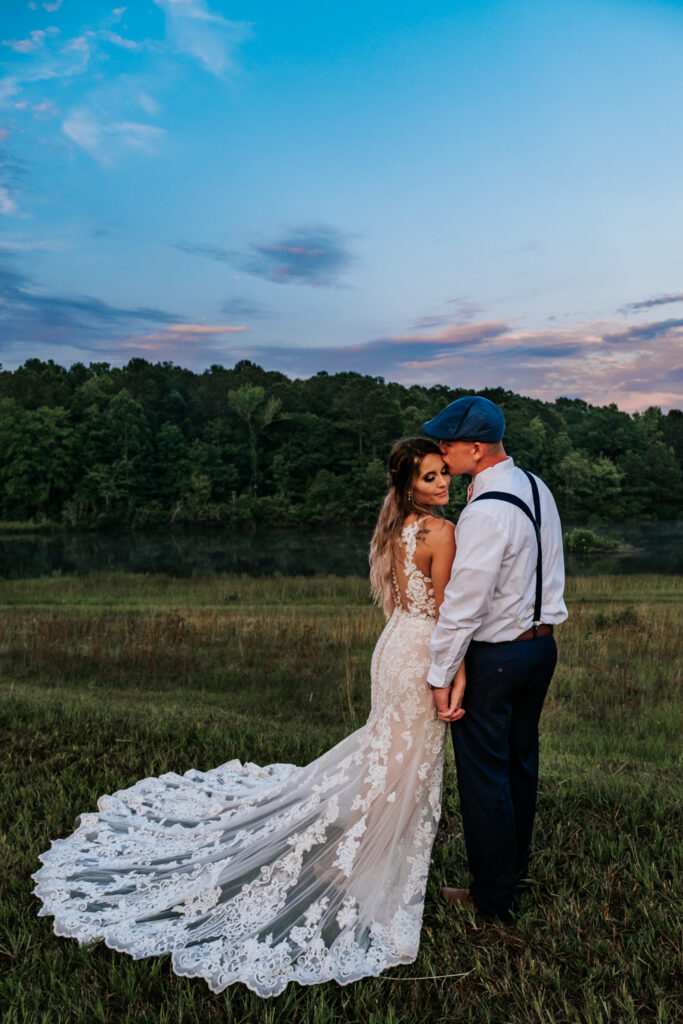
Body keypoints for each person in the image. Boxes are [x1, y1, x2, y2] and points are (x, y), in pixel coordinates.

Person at [32, 437, 461, 998]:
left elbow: (411, 601)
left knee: (389, 755)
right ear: (410, 485)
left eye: (444, 474)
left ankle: (356, 853)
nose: (443, 484)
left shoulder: (398, 527)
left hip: (394, 646)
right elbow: (452, 614)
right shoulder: (442, 533)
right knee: (404, 764)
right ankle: (360, 864)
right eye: (431, 477)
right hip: (421, 653)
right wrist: (454, 675)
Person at [423, 396, 568, 922]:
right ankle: (511, 872)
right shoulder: (535, 487)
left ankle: (492, 898)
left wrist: (440, 674)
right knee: (519, 764)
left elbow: (464, 606)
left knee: (485, 777)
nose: (442, 451)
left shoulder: (484, 512)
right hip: (540, 648)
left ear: (476, 449)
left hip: (498, 656)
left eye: (449, 444)